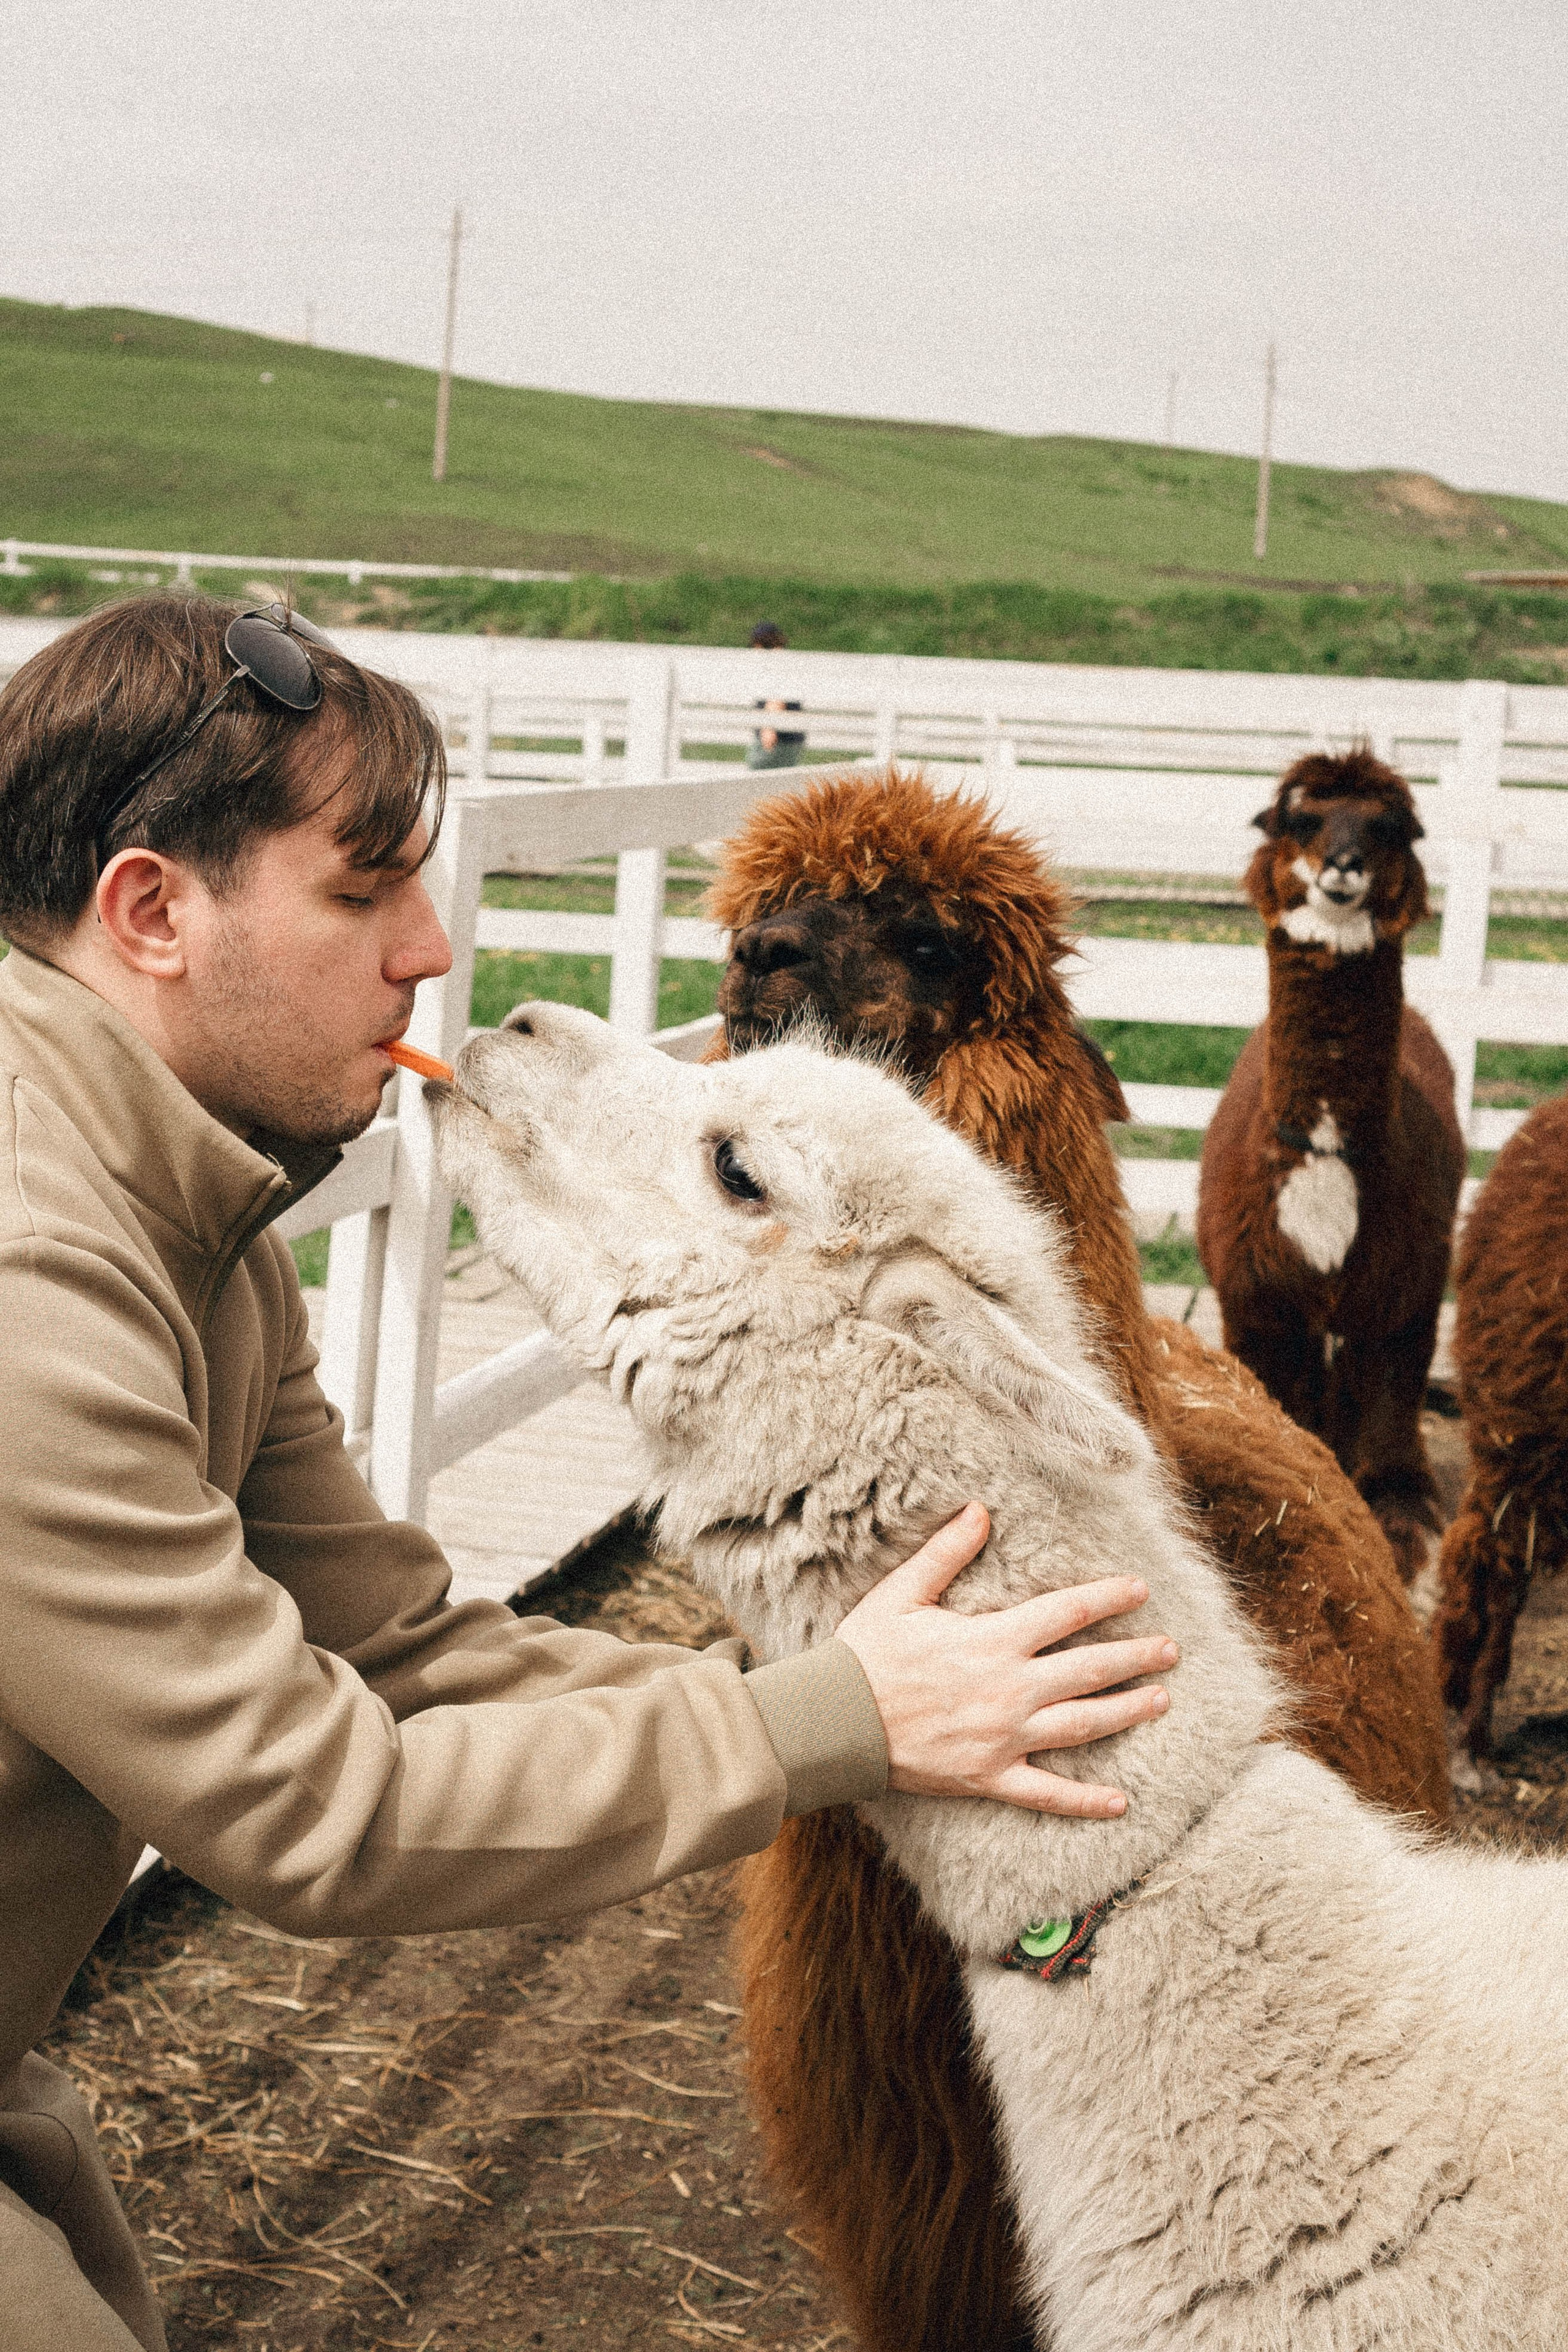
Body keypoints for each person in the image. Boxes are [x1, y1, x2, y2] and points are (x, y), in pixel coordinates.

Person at [0, 597, 1178, 2350]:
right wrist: (831, 1723)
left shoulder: (196, 1228)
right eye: (363, 892)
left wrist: (858, 1717)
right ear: (152, 911)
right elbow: (314, 1805)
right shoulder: (34, 1280)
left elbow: (404, 1650)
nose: (427, 951)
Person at [745, 618, 808, 768]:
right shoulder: (785, 664)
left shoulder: (777, 665)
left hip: (778, 739)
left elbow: (776, 697)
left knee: (758, 767)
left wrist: (769, 728)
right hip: (788, 738)